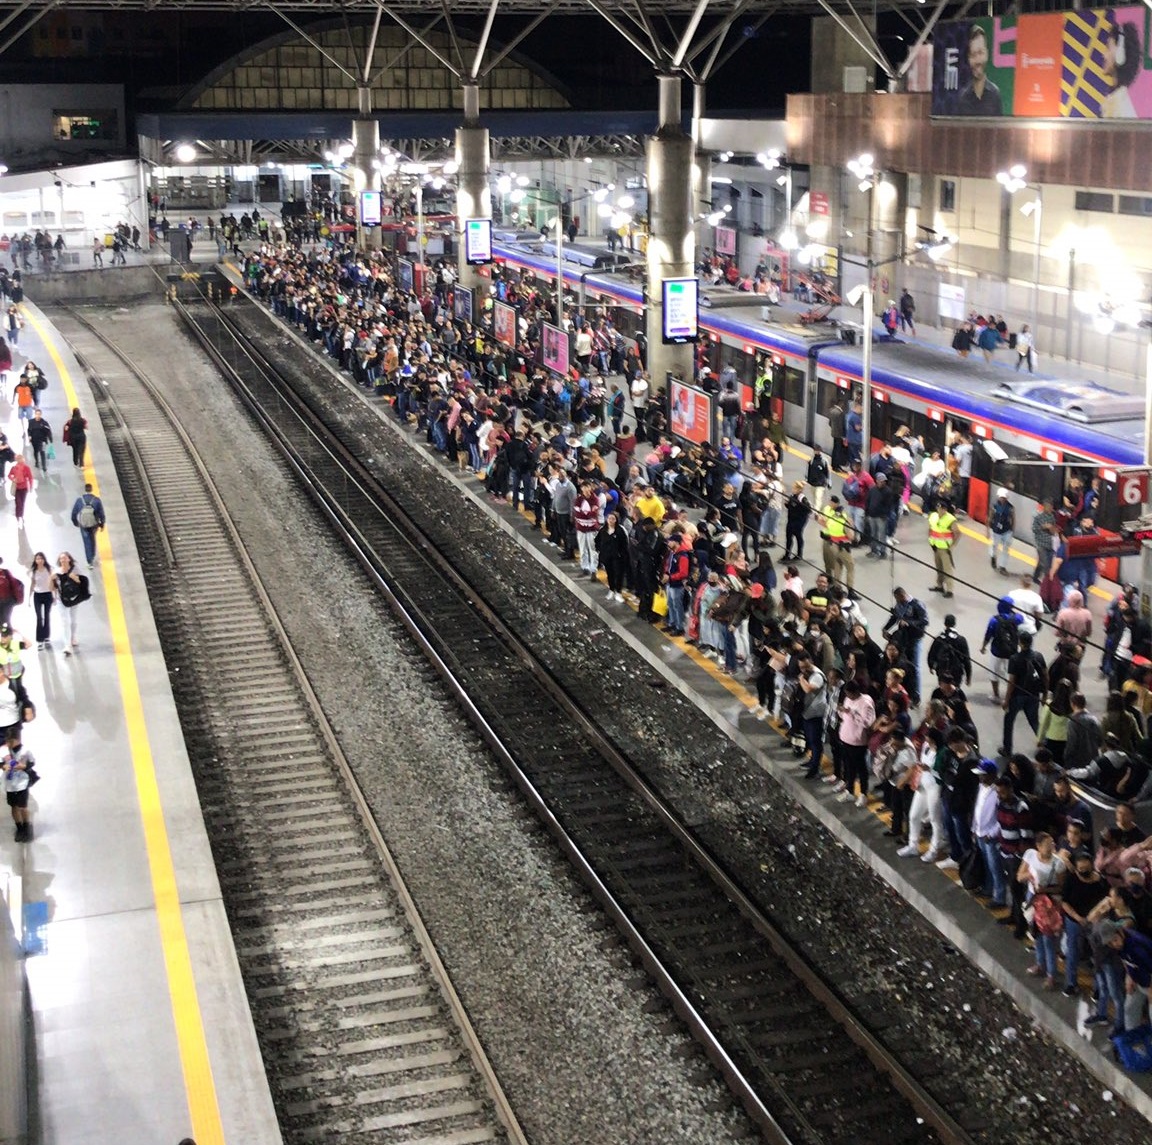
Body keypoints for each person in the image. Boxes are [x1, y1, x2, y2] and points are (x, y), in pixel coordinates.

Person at [1018, 832, 1067, 989]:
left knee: (1049, 939)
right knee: (1037, 934)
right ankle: (1040, 964)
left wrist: (1044, 888)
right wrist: (1032, 877)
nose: (1051, 847)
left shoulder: (1058, 863)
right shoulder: (1030, 855)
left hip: (1049, 903)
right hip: (1033, 898)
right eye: (1047, 844)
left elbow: (1061, 887)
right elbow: (1020, 876)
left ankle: (1051, 974)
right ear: (1038, 846)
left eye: (1052, 844)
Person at [1001, 632, 1048, 757]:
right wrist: (1044, 694)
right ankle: (1045, 746)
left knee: (1009, 721)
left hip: (1017, 695)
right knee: (1034, 721)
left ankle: (1007, 749)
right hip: (1033, 695)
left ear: (1020, 643)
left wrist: (1006, 700)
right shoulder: (1039, 656)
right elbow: (1045, 676)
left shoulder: (1015, 659)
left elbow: (1011, 682)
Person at [957, 24, 1003, 115]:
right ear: (968, 59)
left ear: (987, 54)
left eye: (980, 53)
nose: (978, 61)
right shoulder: (962, 97)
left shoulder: (995, 94)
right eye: (973, 55)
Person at [1101, 17, 1141, 119]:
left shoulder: (1120, 106)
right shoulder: (1117, 99)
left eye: (1108, 48)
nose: (1104, 55)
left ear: (1120, 55)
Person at [818, 496, 855, 593]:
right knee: (850, 567)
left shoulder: (831, 519)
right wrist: (852, 525)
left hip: (832, 543)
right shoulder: (843, 520)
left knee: (838, 565)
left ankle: (836, 586)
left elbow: (822, 521)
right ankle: (850, 590)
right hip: (843, 546)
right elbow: (851, 536)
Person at [55, 552, 89, 655]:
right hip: (61, 599)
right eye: (61, 558)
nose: (63, 560)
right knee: (65, 621)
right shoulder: (57, 571)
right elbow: (53, 586)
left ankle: (73, 636)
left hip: (74, 598)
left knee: (73, 620)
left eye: (65, 558)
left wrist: (74, 577)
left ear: (69, 559)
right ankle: (67, 645)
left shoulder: (76, 569)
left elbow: (81, 583)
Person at [927, 613, 972, 688]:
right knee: (955, 691)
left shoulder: (939, 638)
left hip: (942, 670)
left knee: (943, 690)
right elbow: (966, 659)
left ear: (945, 624)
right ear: (954, 624)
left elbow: (931, 653)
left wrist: (931, 666)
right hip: (956, 671)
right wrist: (968, 676)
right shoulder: (961, 640)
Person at [927, 498, 958, 597]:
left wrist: (952, 546)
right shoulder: (933, 516)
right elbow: (930, 528)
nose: (939, 510)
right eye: (938, 508)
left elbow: (957, 533)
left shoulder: (950, 519)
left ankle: (950, 590)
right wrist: (930, 540)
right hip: (935, 547)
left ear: (945, 509)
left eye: (941, 509)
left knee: (947, 569)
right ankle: (940, 585)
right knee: (939, 568)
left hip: (945, 549)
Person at [71, 482, 106, 568]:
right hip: (94, 524)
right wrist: (102, 524)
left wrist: (75, 522)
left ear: (85, 490)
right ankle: (93, 555)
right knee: (92, 539)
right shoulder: (97, 500)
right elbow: (101, 513)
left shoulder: (79, 500)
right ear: (91, 489)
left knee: (87, 542)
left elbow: (74, 513)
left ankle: (89, 561)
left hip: (83, 525)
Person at [986, 488, 1014, 575]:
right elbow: (989, 518)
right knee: (994, 546)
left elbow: (1013, 518)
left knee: (1006, 549)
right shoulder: (994, 506)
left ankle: (1002, 566)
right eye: (1001, 497)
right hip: (995, 531)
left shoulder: (1010, 507)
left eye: (1004, 497)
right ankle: (993, 556)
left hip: (1006, 531)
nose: (1002, 499)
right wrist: (987, 530)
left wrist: (1012, 531)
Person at [783, 481, 811, 561]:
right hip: (791, 519)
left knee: (798, 536)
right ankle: (787, 554)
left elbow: (808, 510)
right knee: (788, 537)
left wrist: (798, 510)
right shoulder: (792, 496)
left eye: (794, 488)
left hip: (798, 521)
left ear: (799, 489)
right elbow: (791, 507)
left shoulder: (802, 499)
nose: (793, 489)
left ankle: (799, 554)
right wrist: (787, 504)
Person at [7, 454, 32, 524]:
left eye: (21, 459)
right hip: (17, 488)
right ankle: (18, 515)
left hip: (24, 488)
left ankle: (20, 515)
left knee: (22, 502)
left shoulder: (26, 468)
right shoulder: (14, 468)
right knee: (18, 502)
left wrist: (31, 486)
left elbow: (30, 477)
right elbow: (9, 475)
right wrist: (13, 479)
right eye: (19, 459)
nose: (20, 460)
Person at [806, 446, 830, 510]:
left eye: (818, 450)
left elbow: (828, 472)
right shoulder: (811, 459)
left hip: (821, 483)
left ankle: (816, 512)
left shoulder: (824, 460)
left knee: (818, 497)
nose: (817, 452)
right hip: (813, 482)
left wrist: (829, 482)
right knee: (815, 497)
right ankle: (820, 509)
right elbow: (808, 470)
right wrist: (807, 479)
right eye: (816, 450)